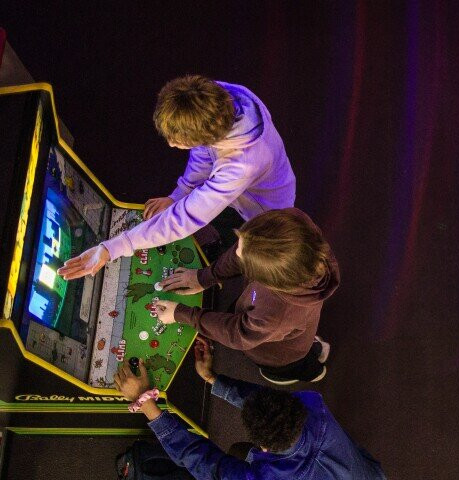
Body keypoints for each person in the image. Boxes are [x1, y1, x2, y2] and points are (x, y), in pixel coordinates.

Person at [113, 337, 386, 480]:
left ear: (264, 449)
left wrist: (145, 402)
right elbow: (266, 401)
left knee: (239, 460)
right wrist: (213, 379)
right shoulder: (312, 406)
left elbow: (203, 463)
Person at [58, 75, 295, 281]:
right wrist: (179, 195)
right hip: (239, 189)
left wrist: (114, 247)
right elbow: (204, 153)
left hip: (261, 212)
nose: (172, 144)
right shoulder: (218, 98)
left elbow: (186, 217)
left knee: (241, 260)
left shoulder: (242, 164)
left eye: (177, 141)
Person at [153, 208, 338, 385]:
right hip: (285, 326)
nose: (237, 251)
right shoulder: (296, 225)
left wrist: (182, 314)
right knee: (299, 336)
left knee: (294, 365)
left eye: (245, 259)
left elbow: (239, 333)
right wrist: (204, 278)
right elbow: (242, 251)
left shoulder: (277, 312)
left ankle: (312, 370)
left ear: (270, 281)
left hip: (279, 356)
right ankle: (310, 345)